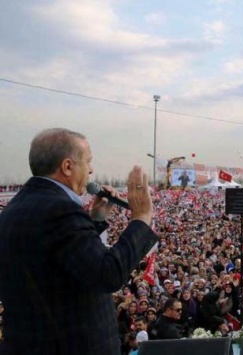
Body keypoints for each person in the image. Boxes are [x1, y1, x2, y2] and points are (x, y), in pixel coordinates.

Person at [0, 128, 158, 355]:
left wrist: (93, 221)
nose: (92, 170)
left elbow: (58, 266)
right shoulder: (60, 209)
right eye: (88, 161)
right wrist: (141, 219)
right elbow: (108, 274)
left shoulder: (15, 208)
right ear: (67, 166)